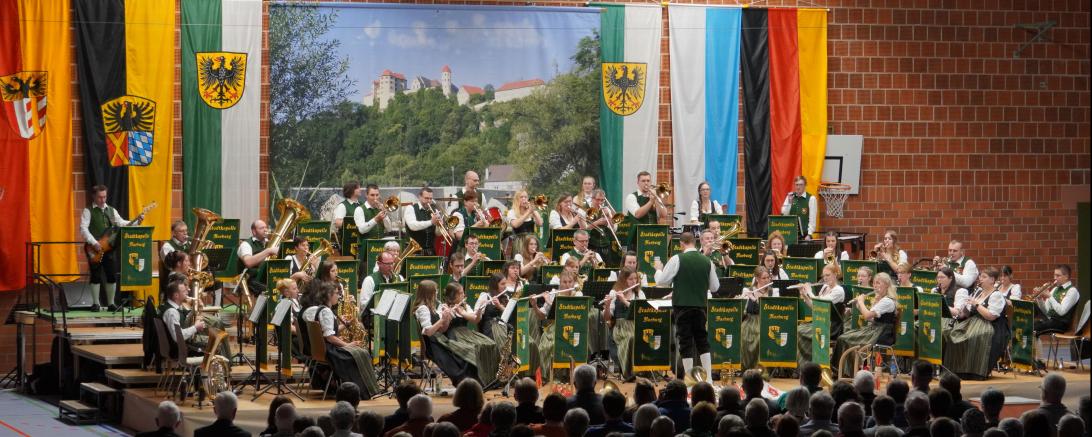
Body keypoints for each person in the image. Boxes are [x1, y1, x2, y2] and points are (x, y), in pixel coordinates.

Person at [654, 233, 718, 381]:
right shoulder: (707, 261)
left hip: (682, 307)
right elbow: (715, 287)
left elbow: (662, 282)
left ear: (682, 244)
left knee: (685, 342)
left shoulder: (677, 259)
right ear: (695, 243)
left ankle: (689, 379)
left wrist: (658, 269)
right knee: (702, 340)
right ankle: (708, 379)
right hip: (701, 307)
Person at [301, 281, 380, 398]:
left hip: (323, 349)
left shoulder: (318, 309)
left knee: (361, 352)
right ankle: (364, 391)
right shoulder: (326, 311)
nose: (339, 296)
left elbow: (328, 331)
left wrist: (345, 324)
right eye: (337, 294)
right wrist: (347, 345)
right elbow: (330, 337)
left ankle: (367, 389)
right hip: (330, 351)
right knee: (361, 353)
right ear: (329, 295)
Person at [415, 281, 498, 387]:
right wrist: (446, 318)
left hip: (460, 335)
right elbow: (434, 331)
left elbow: (474, 320)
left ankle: (488, 380)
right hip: (443, 340)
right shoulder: (428, 308)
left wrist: (475, 313)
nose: (437, 293)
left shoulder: (459, 306)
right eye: (435, 291)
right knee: (471, 350)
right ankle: (470, 382)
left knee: (489, 345)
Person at [80, 185, 146, 311]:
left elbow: (122, 223)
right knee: (96, 275)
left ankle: (111, 304)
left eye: (104, 196)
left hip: (109, 248)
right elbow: (83, 229)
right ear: (93, 196)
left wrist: (137, 221)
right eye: (100, 197)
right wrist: (94, 243)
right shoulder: (88, 211)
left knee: (111, 275)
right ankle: (96, 304)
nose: (103, 200)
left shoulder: (111, 210)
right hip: (93, 248)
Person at [944, 267, 1006, 379]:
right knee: (953, 334)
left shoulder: (996, 295)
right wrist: (963, 309)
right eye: (980, 276)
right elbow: (966, 314)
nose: (980, 279)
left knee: (971, 337)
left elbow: (991, 316)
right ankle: (956, 369)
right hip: (972, 322)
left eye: (984, 277)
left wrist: (976, 304)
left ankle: (972, 371)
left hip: (989, 326)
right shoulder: (978, 292)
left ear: (992, 280)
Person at [834, 273, 898, 376]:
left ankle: (844, 372)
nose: (875, 286)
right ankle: (845, 371)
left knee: (844, 339)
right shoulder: (882, 299)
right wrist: (859, 305)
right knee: (844, 337)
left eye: (878, 283)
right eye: (874, 283)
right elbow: (872, 318)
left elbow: (867, 315)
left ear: (886, 285)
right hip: (875, 329)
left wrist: (861, 301)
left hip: (881, 334)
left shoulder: (887, 301)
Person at [160, 279, 229, 356]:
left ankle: (224, 365)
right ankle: (223, 365)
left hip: (183, 344)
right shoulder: (171, 312)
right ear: (176, 295)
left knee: (215, 338)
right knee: (216, 343)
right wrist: (195, 327)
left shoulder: (173, 306)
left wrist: (197, 311)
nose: (187, 292)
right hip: (181, 349)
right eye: (184, 291)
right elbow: (178, 337)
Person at [533, 271, 582, 376]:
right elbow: (541, 315)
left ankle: (568, 374)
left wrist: (549, 302)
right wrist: (534, 306)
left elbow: (568, 312)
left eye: (570, 282)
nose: (567, 285)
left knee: (561, 344)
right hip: (554, 328)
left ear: (574, 283)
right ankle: (549, 375)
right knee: (544, 348)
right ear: (560, 283)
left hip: (572, 328)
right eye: (564, 282)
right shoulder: (554, 293)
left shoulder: (577, 294)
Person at [602, 267, 646, 380]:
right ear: (623, 280)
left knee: (640, 336)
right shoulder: (614, 292)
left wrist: (624, 301)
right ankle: (628, 372)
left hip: (635, 325)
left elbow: (640, 313)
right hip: (619, 327)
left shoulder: (639, 293)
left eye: (635, 279)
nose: (634, 281)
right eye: (630, 279)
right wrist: (607, 306)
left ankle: (640, 370)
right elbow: (607, 318)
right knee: (630, 337)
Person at [797, 264, 847, 364]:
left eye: (828, 275)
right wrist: (804, 295)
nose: (825, 278)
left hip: (831, 326)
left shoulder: (839, 290)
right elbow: (815, 307)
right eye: (824, 276)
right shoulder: (825, 287)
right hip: (820, 322)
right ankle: (806, 363)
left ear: (835, 274)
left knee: (801, 331)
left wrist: (810, 291)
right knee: (798, 329)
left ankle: (811, 363)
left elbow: (819, 302)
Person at [741, 266, 777, 369]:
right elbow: (744, 310)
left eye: (768, 278)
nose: (767, 280)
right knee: (744, 335)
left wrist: (755, 299)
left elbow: (772, 309)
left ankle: (760, 367)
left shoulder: (773, 291)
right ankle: (747, 366)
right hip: (750, 319)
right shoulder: (748, 290)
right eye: (764, 278)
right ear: (757, 279)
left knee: (761, 335)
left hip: (766, 320)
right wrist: (743, 299)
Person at [237, 219, 281, 294]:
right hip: (252, 279)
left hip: (269, 277)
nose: (265, 230)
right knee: (271, 290)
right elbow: (248, 262)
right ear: (254, 231)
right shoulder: (246, 244)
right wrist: (268, 251)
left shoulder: (269, 243)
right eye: (261, 228)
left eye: (265, 227)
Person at [359, 251, 403, 325]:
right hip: (375, 316)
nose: (391, 266)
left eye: (392, 263)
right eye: (387, 264)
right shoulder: (369, 280)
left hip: (395, 314)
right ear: (379, 264)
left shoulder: (399, 278)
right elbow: (364, 304)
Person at [1034, 264, 1080, 336]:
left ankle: (1033, 347)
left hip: (1062, 324)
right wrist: (1039, 298)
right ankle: (1034, 347)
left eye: (1058, 276)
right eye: (1054, 275)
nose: (1055, 278)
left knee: (1034, 328)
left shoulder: (1072, 291)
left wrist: (1050, 296)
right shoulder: (1055, 289)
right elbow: (1046, 311)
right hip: (1051, 321)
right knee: (1030, 325)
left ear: (1066, 277)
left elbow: (1061, 312)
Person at [403, 186, 441, 256]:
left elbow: (438, 234)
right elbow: (413, 226)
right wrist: (431, 222)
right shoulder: (411, 208)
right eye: (426, 198)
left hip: (430, 251)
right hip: (414, 252)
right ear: (419, 197)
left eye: (430, 199)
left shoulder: (434, 210)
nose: (429, 201)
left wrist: (439, 225)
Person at [507, 190, 544, 255]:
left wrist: (533, 210)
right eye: (521, 197)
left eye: (525, 197)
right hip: (520, 243)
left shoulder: (531, 211)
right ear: (517, 200)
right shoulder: (512, 212)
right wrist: (528, 212)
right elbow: (515, 225)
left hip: (532, 242)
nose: (524, 199)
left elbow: (540, 223)